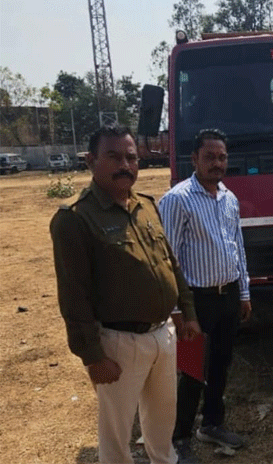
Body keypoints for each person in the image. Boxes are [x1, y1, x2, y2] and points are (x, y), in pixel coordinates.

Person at [50, 125, 200, 464]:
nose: (125, 165)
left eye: (131, 158)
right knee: (117, 434)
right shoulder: (75, 218)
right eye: (114, 157)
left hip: (163, 335)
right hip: (118, 344)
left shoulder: (146, 206)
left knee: (163, 419)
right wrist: (93, 356)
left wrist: (187, 312)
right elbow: (73, 295)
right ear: (91, 161)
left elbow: (170, 263)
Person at [159, 128, 252, 461]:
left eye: (222, 157)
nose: (217, 163)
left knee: (221, 365)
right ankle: (179, 438)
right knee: (191, 371)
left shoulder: (229, 198)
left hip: (227, 296)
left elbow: (238, 247)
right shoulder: (177, 200)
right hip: (195, 301)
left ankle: (212, 424)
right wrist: (178, 311)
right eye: (210, 157)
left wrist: (244, 293)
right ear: (194, 159)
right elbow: (168, 259)